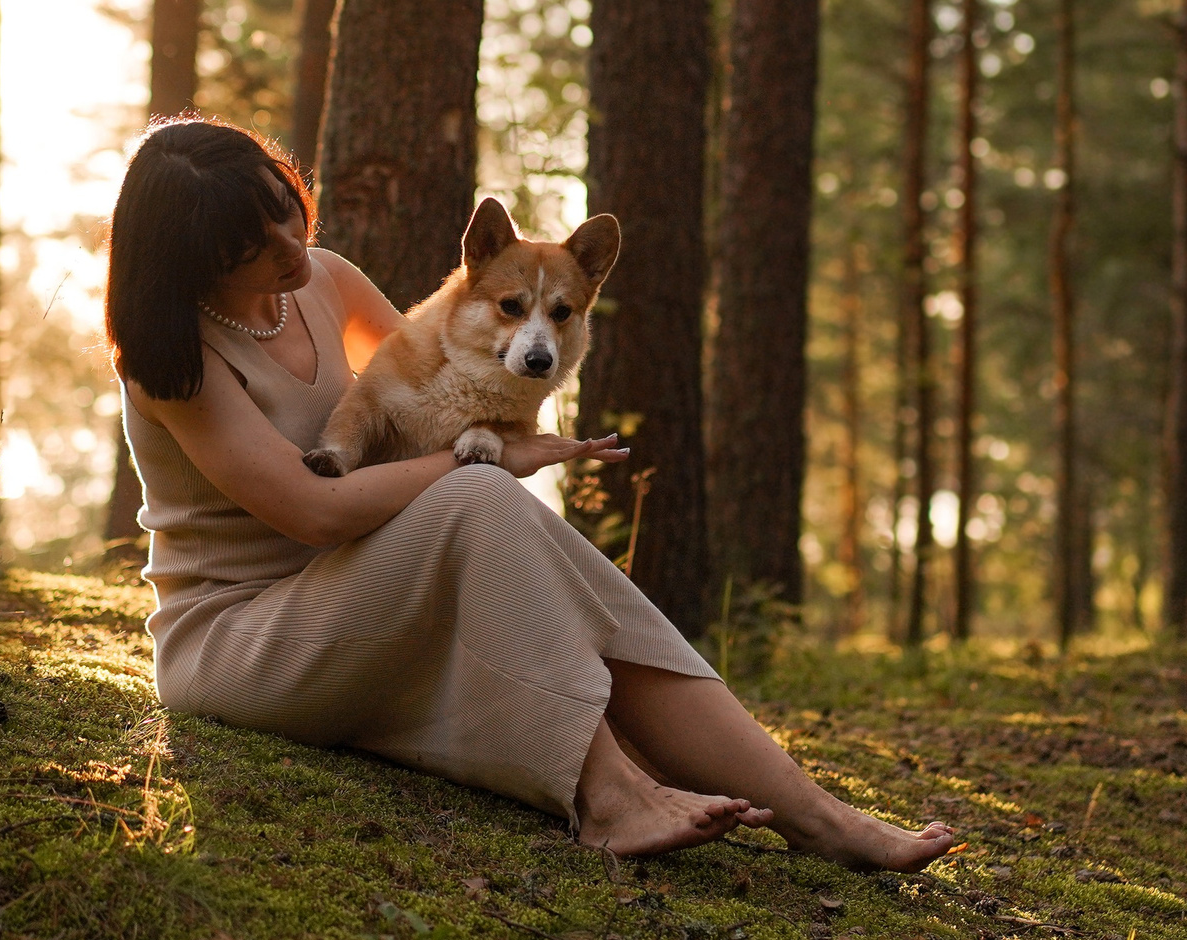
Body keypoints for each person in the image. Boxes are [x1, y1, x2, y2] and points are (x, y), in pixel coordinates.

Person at [110, 116, 955, 868]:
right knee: (480, 495)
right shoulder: (173, 355)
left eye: (285, 209)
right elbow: (314, 511)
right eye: (252, 244)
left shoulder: (322, 280)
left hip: (357, 592)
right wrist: (485, 461)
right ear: (193, 257)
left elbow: (437, 362)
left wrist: (515, 405)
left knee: (563, 563)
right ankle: (613, 796)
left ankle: (815, 816)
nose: (291, 245)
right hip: (238, 640)